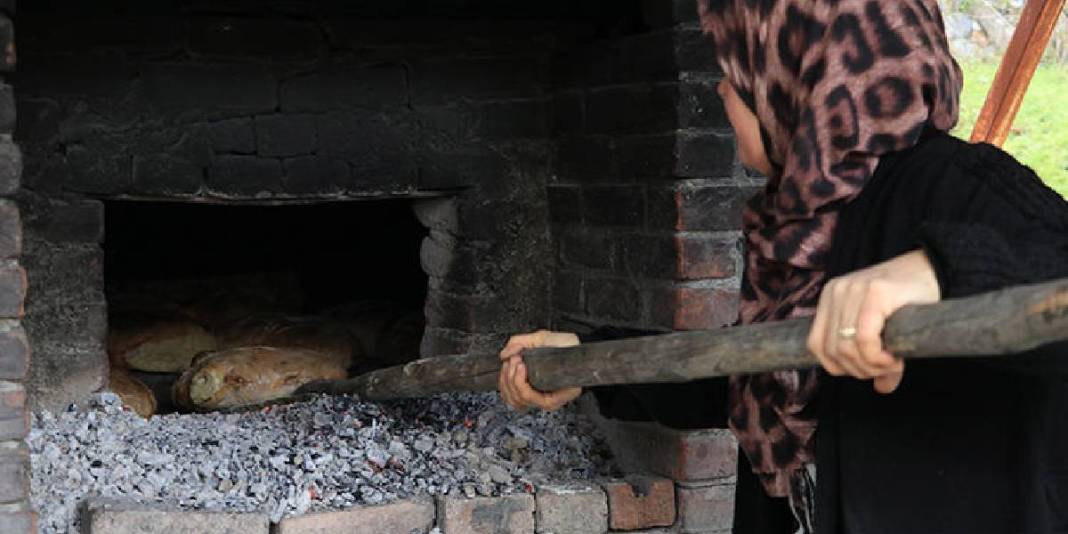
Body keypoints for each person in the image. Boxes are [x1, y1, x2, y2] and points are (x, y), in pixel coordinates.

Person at [498, 1, 1068, 533]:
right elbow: (745, 374)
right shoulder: (798, 227)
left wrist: (940, 272)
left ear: (801, 77)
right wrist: (587, 360)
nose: (722, 89)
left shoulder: (961, 185)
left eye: (738, 71)